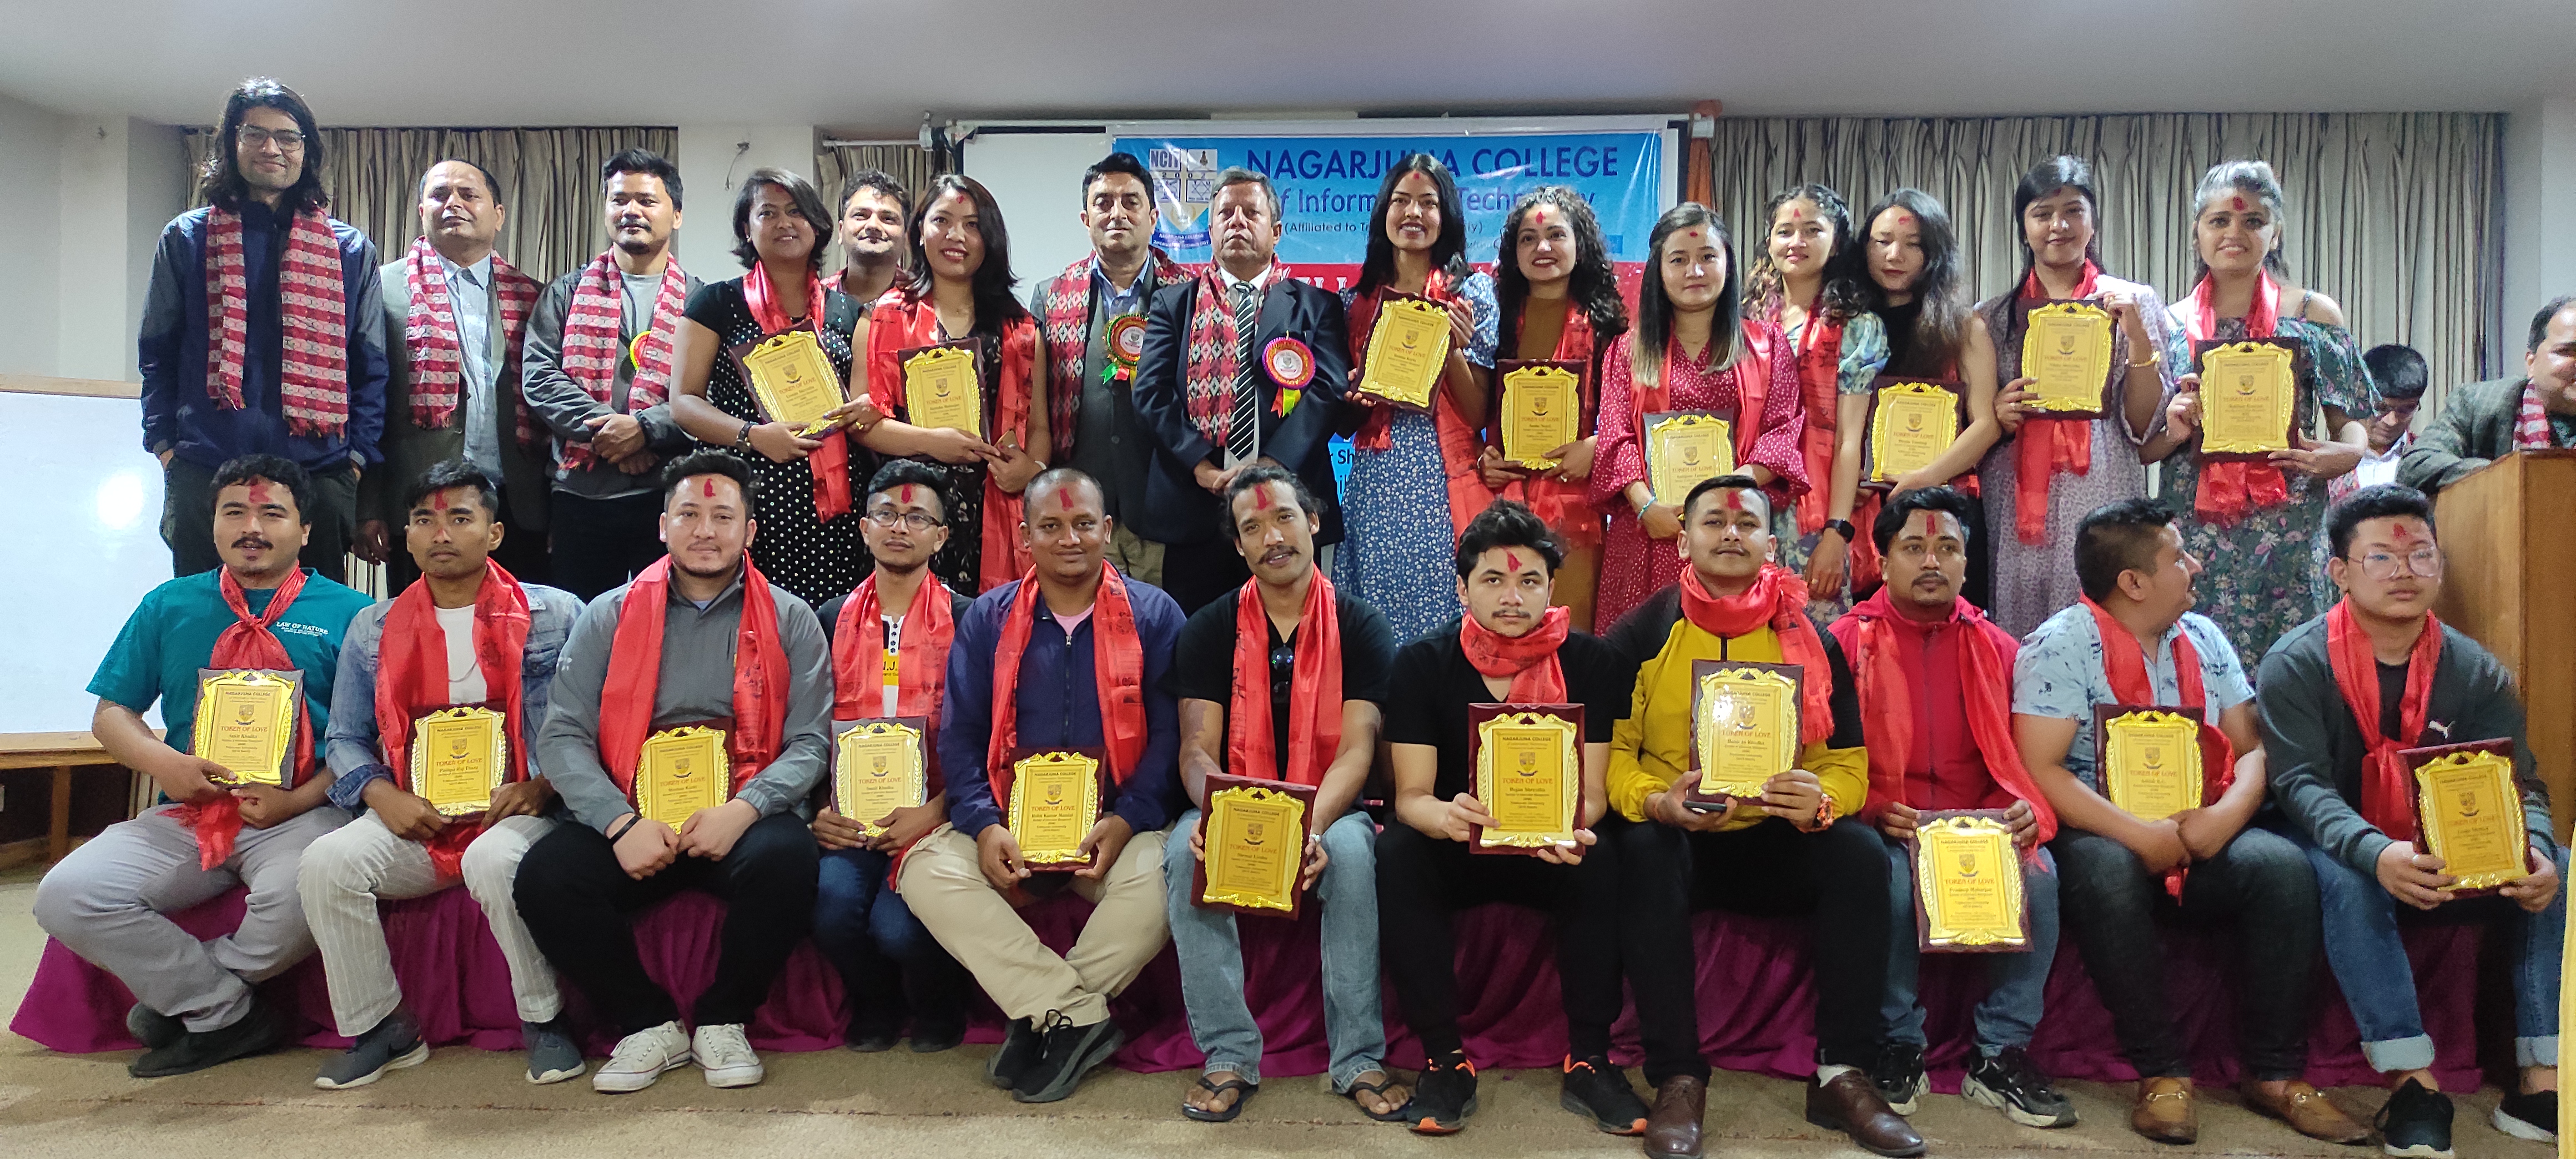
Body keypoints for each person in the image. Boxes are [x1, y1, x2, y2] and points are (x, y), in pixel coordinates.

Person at [2011, 498, 2365, 1146]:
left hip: (2203, 820)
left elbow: (2253, 750)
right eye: (2178, 557)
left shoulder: (2202, 637)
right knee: (2106, 872)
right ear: (2133, 582)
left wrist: (2223, 819)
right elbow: (2041, 769)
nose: (2195, 566)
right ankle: (2162, 1072)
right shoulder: (2058, 644)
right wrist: (2138, 835)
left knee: (2282, 868)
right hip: (2103, 827)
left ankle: (2274, 1073)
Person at [1604, 475, 1915, 1158]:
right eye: (1713, 523)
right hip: (1682, 837)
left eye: (1746, 524)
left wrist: (1820, 799)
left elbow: (1848, 763)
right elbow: (1612, 758)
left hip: (1775, 834)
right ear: (1682, 541)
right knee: (1642, 849)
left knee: (1859, 855)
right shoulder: (1642, 632)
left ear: (1770, 546)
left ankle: (1841, 1074)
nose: (1730, 534)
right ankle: (1678, 1077)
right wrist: (1657, 801)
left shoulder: (1810, 639)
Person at [33, 455, 372, 1077]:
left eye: (272, 514)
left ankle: (192, 1000)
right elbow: (112, 713)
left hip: (304, 811)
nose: (252, 528)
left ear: (304, 529)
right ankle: (225, 1012)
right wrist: (164, 764)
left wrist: (298, 801)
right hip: (190, 813)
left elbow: (371, 738)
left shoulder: (354, 614)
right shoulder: (169, 604)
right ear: (211, 524)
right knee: (67, 895)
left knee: (309, 890)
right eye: (234, 512)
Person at [514, 451, 831, 1094]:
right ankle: (647, 1023)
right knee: (546, 877)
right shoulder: (609, 613)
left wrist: (743, 810)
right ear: (663, 526)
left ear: (749, 530)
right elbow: (564, 735)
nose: (704, 531)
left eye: (722, 517)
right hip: (636, 816)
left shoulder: (789, 617)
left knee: (788, 858)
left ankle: (723, 1019)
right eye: (688, 514)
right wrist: (619, 823)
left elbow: (809, 743)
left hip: (735, 817)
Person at [2260, 484, 2564, 1151]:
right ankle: (2412, 1084)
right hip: (2327, 838)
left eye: (2420, 555)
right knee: (2348, 876)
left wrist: (2534, 844)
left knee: (2556, 868)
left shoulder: (2473, 670)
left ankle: (2540, 1081)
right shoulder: (2296, 662)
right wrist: (2375, 851)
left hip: (2440, 839)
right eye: (2380, 558)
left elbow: (2519, 782)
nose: (2404, 572)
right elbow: (2300, 786)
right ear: (2339, 572)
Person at [898, 468, 1186, 1104]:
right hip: (1010, 828)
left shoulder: (1155, 614)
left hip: (1112, 830)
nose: (1069, 539)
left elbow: (1171, 738)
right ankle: (1073, 1013)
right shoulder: (988, 618)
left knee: (1167, 873)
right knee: (923, 869)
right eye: (1050, 526)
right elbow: (961, 736)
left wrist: (1128, 819)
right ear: (1024, 536)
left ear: (1106, 530)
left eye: (1083, 524)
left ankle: (1044, 1014)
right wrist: (983, 824)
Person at [300, 461, 581, 1088]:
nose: (441, 534)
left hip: (524, 810)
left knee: (493, 859)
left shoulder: (557, 613)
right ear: (406, 534)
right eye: (424, 520)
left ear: (495, 533)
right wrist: (381, 795)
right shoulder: (373, 627)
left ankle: (544, 1018)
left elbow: (594, 724)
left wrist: (543, 785)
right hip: (418, 812)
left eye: (459, 518)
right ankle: (381, 1028)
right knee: (327, 862)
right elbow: (344, 737)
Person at [1377, 501, 1647, 1140]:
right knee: (1396, 852)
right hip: (1457, 839)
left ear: (1551, 588)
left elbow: (1594, 793)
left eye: (1528, 581)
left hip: (1550, 845)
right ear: (1461, 587)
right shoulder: (1420, 663)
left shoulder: (1592, 663)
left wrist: (1571, 825)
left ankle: (1589, 1059)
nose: (1511, 596)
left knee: (1603, 851)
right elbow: (1411, 796)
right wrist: (1444, 816)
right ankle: (1444, 1060)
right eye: (1493, 580)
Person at [1158, 466, 1403, 1121]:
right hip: (1232, 802)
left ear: (1314, 523)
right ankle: (1228, 1053)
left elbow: (1357, 750)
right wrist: (1218, 813)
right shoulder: (1209, 627)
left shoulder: (1360, 624)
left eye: (1284, 518)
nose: (1272, 537)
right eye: (1253, 527)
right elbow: (1196, 751)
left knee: (1350, 854)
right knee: (1183, 850)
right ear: (1239, 547)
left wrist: (1308, 827)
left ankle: (1358, 1057)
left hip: (1331, 807)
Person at [1827, 487, 2071, 1128]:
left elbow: (2027, 760)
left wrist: (2018, 809)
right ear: (1883, 562)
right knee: (1889, 883)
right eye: (1913, 547)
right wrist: (1874, 808)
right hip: (1886, 823)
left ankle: (1999, 1053)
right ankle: (1898, 1044)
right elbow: (1821, 755)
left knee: (2039, 880)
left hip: (1979, 823)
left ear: (1966, 564)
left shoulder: (2002, 649)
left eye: (1947, 549)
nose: (1931, 561)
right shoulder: (1843, 643)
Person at [140, 79, 388, 583]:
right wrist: (166, 447)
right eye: (255, 134)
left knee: (312, 620)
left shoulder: (350, 250)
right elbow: (157, 352)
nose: (271, 148)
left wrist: (354, 462)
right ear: (231, 143)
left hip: (319, 468)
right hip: (206, 464)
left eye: (288, 137)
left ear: (306, 150)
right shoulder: (186, 238)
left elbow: (370, 365)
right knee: (205, 612)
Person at [2145, 160, 2376, 663]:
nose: (2235, 233)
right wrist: (2174, 428)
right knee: (2198, 664)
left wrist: (2347, 455)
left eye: (2253, 221)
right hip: (2196, 526)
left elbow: (2352, 423)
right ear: (2197, 233)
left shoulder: (2313, 314)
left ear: (2276, 233)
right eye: (2219, 221)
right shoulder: (2168, 324)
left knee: (2295, 667)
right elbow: (2145, 448)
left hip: (2291, 522)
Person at [1974, 158, 2183, 638]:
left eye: (2073, 211)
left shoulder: (2132, 300)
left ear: (2093, 221)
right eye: (2042, 214)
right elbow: (1976, 420)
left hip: (2103, 480)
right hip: (2016, 493)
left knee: (2108, 613)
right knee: (2023, 624)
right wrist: (1998, 411)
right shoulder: (1993, 317)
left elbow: (2143, 425)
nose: (2059, 225)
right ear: (2023, 227)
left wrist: (2138, 340)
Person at [1131, 168, 1352, 614]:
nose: (1237, 222)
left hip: (1288, 502)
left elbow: (1328, 390)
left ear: (1276, 232)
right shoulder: (1173, 304)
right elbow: (1151, 393)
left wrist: (1272, 466)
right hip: (1194, 506)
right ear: (1210, 230)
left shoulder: (1315, 305)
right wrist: (1202, 467)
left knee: (1290, 634)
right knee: (1198, 638)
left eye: (1251, 213)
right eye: (1226, 213)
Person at [808, 460, 973, 1053]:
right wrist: (818, 808)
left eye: (917, 517)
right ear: (864, 527)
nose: (899, 527)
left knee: (897, 928)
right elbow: (805, 726)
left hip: (938, 813)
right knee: (832, 906)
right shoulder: (828, 619)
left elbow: (989, 732)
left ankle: (938, 1004)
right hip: (850, 815)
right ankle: (875, 1003)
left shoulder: (970, 618)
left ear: (941, 536)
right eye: (886, 513)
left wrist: (937, 810)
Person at [1589, 205, 1805, 629]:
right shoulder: (1628, 350)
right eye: (1679, 260)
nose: (1695, 271)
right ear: (1658, 269)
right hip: (1649, 531)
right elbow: (1615, 437)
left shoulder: (1766, 345)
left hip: (1732, 529)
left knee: (1730, 653)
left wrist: (1728, 492)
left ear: (1728, 262)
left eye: (1708, 256)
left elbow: (1782, 432)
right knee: (1644, 653)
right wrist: (1646, 506)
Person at [670, 167, 872, 609]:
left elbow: (861, 402)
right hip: (746, 493)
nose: (785, 223)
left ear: (818, 225)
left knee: (829, 623)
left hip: (835, 504)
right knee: (748, 623)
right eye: (768, 213)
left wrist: (866, 409)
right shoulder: (716, 303)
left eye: (797, 211)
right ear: (747, 228)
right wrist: (754, 436)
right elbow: (683, 402)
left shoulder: (850, 311)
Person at [520, 149, 702, 602]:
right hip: (581, 496)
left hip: (669, 494)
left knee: (665, 621)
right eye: (619, 200)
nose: (631, 211)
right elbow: (540, 377)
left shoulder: (702, 301)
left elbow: (712, 391)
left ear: (677, 216)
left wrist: (645, 431)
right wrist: (612, 434)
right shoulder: (565, 292)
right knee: (581, 623)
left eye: (647, 201)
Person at [360, 160, 551, 590]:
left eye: (469, 195)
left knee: (523, 624)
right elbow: (364, 401)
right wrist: (368, 506)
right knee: (425, 624)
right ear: (421, 211)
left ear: (498, 215)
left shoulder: (534, 296)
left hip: (519, 503)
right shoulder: (380, 289)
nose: (454, 204)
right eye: (440, 195)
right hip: (422, 502)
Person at [857, 174, 1048, 596]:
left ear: (990, 238)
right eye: (942, 220)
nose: (956, 235)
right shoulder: (886, 316)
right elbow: (864, 423)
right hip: (911, 510)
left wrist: (1031, 471)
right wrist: (933, 442)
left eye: (972, 224)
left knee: (992, 624)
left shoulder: (1020, 328)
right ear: (920, 231)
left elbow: (1038, 429)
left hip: (997, 506)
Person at [1340, 154, 1498, 643]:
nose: (1413, 213)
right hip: (1374, 478)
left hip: (1440, 478)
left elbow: (1477, 413)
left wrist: (1452, 349)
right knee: (1374, 621)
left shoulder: (1471, 293)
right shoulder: (1355, 301)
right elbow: (1342, 419)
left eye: (1428, 203)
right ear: (1383, 213)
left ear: (1445, 216)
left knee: (1442, 619)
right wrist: (1353, 395)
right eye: (1401, 201)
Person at [1030, 152, 1198, 588]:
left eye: (1131, 201)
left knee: (1162, 623)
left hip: (1165, 503)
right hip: (1079, 510)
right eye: (1103, 203)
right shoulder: (1051, 296)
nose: (1117, 213)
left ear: (1153, 217)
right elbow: (1036, 404)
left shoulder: (1192, 294)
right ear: (1086, 219)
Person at [1474, 187, 1631, 631]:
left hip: (1577, 507)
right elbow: (1473, 413)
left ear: (1580, 244)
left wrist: (1597, 447)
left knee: (1571, 633)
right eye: (1528, 239)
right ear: (1514, 252)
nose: (1542, 248)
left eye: (1556, 235)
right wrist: (1484, 458)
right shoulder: (1497, 319)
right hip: (1505, 504)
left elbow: (1630, 413)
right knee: (1508, 625)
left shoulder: (1608, 326)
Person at [1740, 184, 1888, 610]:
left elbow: (1848, 439)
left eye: (1812, 231)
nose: (1797, 242)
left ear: (1836, 242)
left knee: (1813, 633)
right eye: (1785, 231)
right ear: (1769, 241)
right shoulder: (1745, 322)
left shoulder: (1856, 326)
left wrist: (1836, 533)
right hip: (1750, 497)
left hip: (1819, 507)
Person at [2399, 296, 2576, 494]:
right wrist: (2504, 473)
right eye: (2568, 351)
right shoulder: (2477, 404)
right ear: (2531, 363)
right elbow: (2416, 465)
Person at [2330, 344, 2427, 501]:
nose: (2391, 421)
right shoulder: (2326, 460)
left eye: (2406, 409)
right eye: (2381, 408)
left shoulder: (2427, 461)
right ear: (2356, 397)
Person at [832, 169, 909, 306]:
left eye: (888, 218)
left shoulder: (924, 306)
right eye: (861, 215)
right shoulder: (815, 301)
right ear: (840, 231)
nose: (873, 225)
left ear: (907, 238)